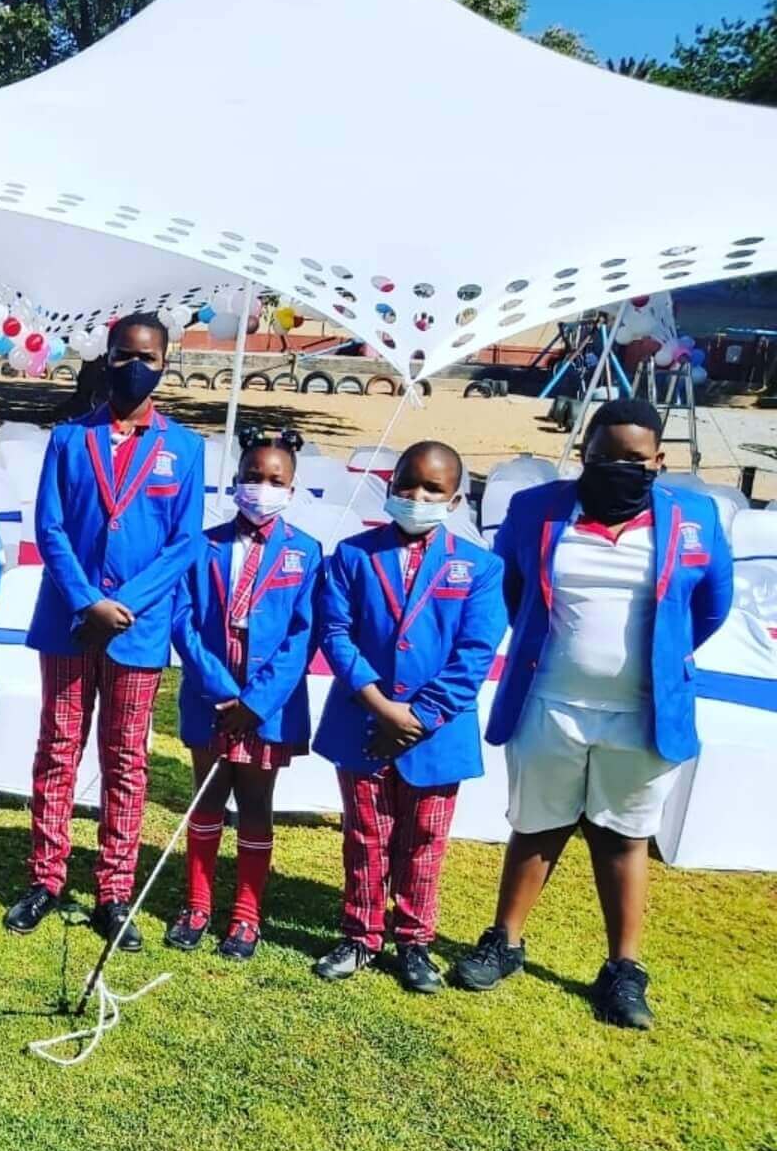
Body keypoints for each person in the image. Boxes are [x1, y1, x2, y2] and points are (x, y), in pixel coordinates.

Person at [452, 397, 733, 1028]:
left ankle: (623, 970)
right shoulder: (536, 509)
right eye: (605, 456)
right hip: (549, 702)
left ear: (659, 460)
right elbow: (514, 589)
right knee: (536, 825)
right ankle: (505, 942)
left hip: (642, 712)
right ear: (585, 454)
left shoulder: (695, 517)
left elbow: (711, 605)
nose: (618, 467)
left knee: (623, 836)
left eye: (635, 458)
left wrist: (664, 660)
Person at [2, 311, 205, 950]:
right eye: (124, 355)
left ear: (165, 364)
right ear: (106, 356)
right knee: (58, 748)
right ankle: (46, 877)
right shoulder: (69, 438)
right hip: (69, 621)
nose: (134, 367)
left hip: (136, 631)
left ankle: (115, 891)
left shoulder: (186, 449)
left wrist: (124, 605)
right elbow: (51, 528)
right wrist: (88, 601)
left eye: (148, 357)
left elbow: (184, 543)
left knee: (125, 759)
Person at [312, 441, 507, 991]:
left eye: (433, 489)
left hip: (436, 732)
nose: (417, 496)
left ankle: (415, 941)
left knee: (424, 839)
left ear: (456, 499)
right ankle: (361, 934)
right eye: (407, 484)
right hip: (364, 721)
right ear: (390, 484)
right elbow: (335, 633)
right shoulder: (352, 556)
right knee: (365, 834)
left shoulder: (481, 568)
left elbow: (475, 652)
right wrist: (379, 704)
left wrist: (419, 716)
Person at [165, 428, 322, 959]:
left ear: (292, 489)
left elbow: (303, 635)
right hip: (211, 696)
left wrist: (256, 702)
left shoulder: (305, 552)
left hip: (266, 707)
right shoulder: (204, 545)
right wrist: (217, 687)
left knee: (256, 803)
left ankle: (247, 914)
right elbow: (183, 620)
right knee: (207, 795)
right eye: (253, 477)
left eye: (275, 480)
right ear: (234, 482)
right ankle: (197, 903)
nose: (262, 488)